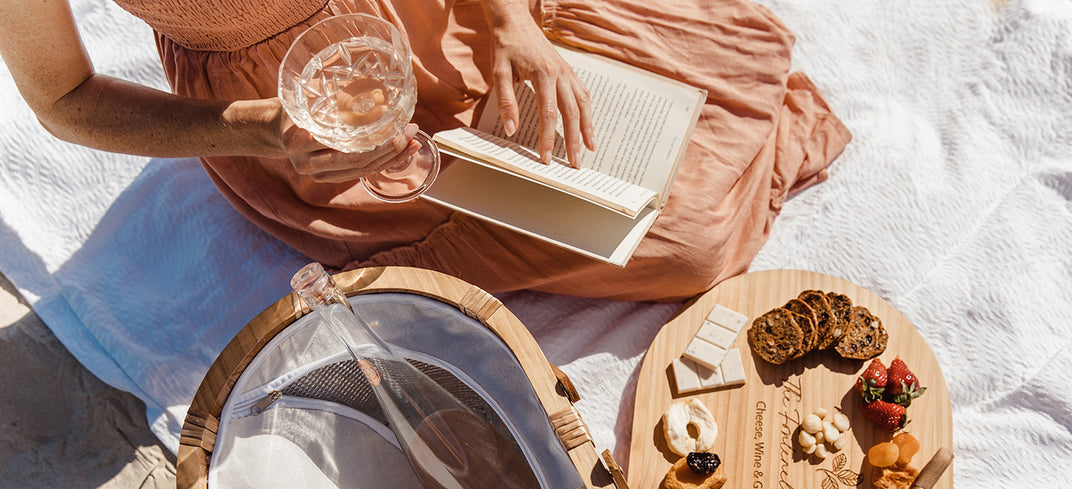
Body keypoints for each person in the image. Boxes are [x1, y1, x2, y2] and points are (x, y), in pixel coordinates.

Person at [0, 0, 850, 302]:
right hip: (292, 104)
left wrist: (512, 22)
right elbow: (66, 101)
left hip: (449, 12)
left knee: (735, 56)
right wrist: (255, 130)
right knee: (690, 237)